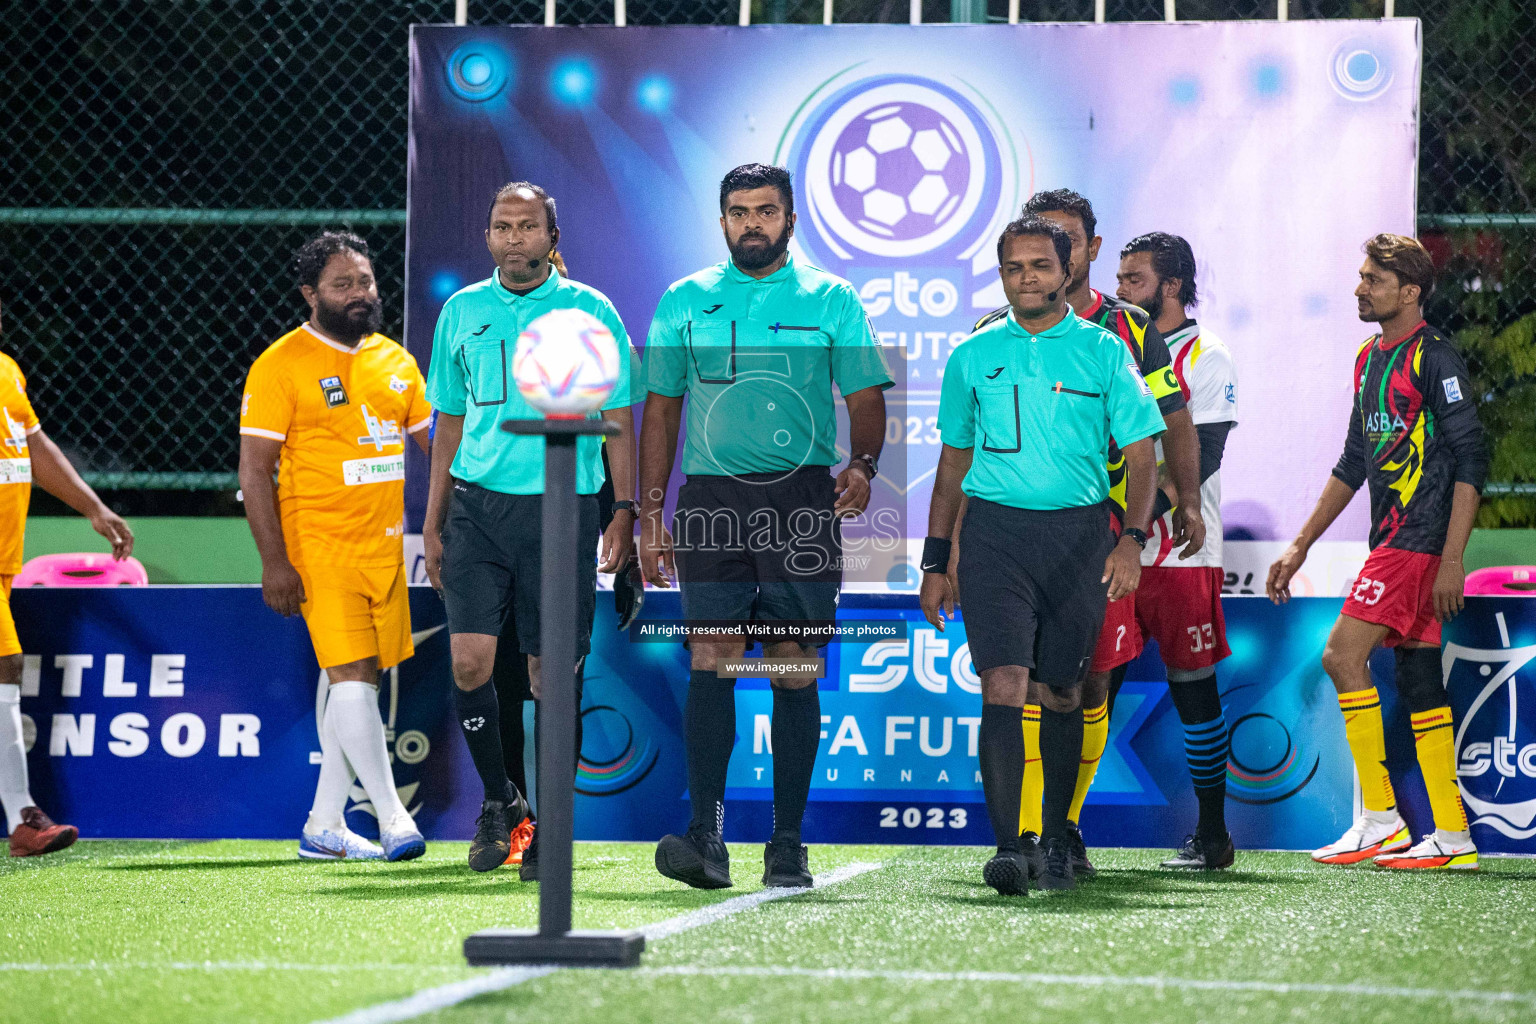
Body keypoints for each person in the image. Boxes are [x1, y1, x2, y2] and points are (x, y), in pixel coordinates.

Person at [640, 163, 892, 890]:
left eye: (766, 211)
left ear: (789, 219)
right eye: (739, 212)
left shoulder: (831, 298)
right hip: (711, 502)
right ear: (721, 221)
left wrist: (864, 464)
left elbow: (865, 393)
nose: (753, 222)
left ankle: (787, 843)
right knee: (711, 658)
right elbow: (659, 409)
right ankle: (707, 839)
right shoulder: (685, 299)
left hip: (801, 501)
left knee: (791, 666)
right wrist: (649, 515)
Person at [924, 215, 1162, 894]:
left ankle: (1057, 838)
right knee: (1000, 684)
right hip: (995, 538)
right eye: (1013, 267)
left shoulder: (1105, 351)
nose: (1026, 278)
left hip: (1080, 538)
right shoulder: (972, 354)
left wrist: (1131, 540)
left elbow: (1144, 457)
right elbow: (950, 467)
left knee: (1063, 690)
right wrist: (935, 561)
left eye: (1039, 265)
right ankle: (1009, 847)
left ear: (1067, 271)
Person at [975, 189, 1201, 879]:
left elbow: (1170, 419)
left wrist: (1182, 499)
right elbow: (965, 447)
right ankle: (1021, 836)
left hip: (1100, 530)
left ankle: (1063, 826)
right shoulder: (992, 329)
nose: (1054, 258)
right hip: (1012, 532)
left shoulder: (1130, 329)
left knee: (1089, 678)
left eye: (1068, 241)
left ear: (1088, 249)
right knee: (1017, 679)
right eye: (1041, 247)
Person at [423, 182, 637, 876]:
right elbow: (448, 423)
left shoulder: (588, 310)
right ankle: (501, 803)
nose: (513, 238)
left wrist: (625, 510)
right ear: (487, 237)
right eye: (501, 226)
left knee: (552, 676)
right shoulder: (461, 311)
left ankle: (553, 829)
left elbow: (621, 419)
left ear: (552, 236)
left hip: (561, 508)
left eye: (527, 226)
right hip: (477, 509)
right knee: (469, 665)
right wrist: (433, 518)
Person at [1269, 233, 1485, 871]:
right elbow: (1354, 461)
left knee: (1341, 657)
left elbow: (1474, 459)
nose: (1359, 289)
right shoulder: (1369, 358)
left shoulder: (1436, 359)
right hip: (1395, 541)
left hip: (1418, 544)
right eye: (1361, 277)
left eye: (1372, 279)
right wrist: (1301, 543)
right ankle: (1452, 836)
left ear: (1410, 291)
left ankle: (1382, 821)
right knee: (1421, 681)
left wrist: (1452, 558)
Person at [239, 232, 430, 862]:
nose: (359, 294)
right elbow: (253, 470)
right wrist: (275, 561)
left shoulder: (397, 362)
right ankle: (393, 818)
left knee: (362, 683)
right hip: (318, 548)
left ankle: (323, 825)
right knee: (350, 676)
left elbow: (441, 445)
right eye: (342, 284)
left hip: (386, 550)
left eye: (366, 282)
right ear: (310, 294)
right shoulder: (281, 363)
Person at [1115, 232, 1240, 869]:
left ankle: (1213, 835)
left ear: (1171, 288)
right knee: (1089, 687)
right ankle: (1064, 836)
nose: (1119, 290)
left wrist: (1128, 527)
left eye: (1134, 279)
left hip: (1181, 554)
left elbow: (1203, 455)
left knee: (1193, 688)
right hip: (1115, 552)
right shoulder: (1108, 346)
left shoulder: (1206, 354)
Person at [0, 299, 134, 857]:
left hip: (3, 565)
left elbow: (34, 448)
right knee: (4, 666)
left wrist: (92, 507)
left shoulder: (7, 371)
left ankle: (20, 814)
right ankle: (20, 815)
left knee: (5, 667)